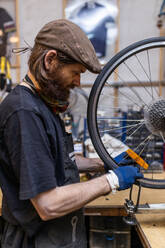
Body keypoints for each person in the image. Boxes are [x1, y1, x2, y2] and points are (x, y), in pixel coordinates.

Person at [0, 19, 143, 248]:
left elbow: (56, 162)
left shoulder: (43, 104)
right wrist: (112, 180)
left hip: (60, 235)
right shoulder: (24, 113)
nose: (78, 82)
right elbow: (48, 204)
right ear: (50, 60)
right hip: (35, 240)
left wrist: (103, 164)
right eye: (75, 72)